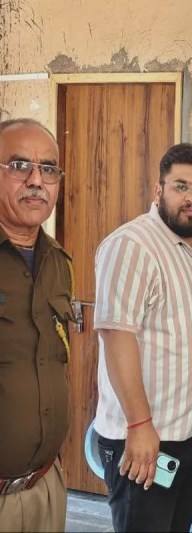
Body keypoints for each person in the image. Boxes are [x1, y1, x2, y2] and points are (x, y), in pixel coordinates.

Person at [93, 143, 192, 532]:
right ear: (158, 190)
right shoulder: (134, 245)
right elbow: (117, 336)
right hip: (146, 440)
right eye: (181, 186)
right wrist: (139, 424)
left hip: (185, 438)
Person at [0, 119, 72, 532]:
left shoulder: (58, 262)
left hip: (45, 488)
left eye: (48, 169)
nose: (35, 180)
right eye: (18, 165)